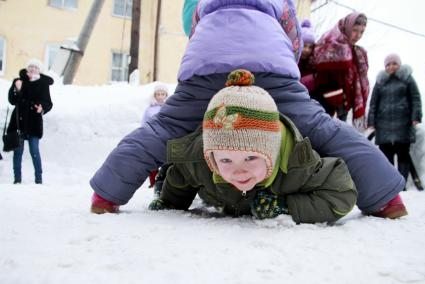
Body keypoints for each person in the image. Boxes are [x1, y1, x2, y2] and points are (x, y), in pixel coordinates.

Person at [90, 0, 406, 219]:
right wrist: (286, 62)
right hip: (270, 68)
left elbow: (195, 30)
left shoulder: (204, 3)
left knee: (166, 127)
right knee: (319, 127)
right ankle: (385, 197)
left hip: (205, 68)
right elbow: (293, 37)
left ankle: (107, 194)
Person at [148, 70, 358, 223]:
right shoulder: (199, 161)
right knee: (175, 165)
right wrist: (170, 202)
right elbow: (181, 175)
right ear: (212, 159)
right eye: (226, 160)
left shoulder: (296, 164)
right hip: (204, 149)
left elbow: (341, 193)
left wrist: (285, 206)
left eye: (251, 158)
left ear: (271, 151)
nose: (239, 170)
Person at [368, 53, 422, 189]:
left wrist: (416, 117)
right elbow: (373, 102)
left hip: (403, 123)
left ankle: (402, 184)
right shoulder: (380, 82)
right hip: (383, 125)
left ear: (399, 65)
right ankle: (390, 184)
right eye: (388, 64)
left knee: (403, 155)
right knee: (386, 157)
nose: (391, 67)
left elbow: (415, 98)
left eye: (394, 64)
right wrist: (371, 120)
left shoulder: (407, 79)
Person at [314, 12, 369, 127]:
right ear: (347, 27)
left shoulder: (356, 52)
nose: (358, 35)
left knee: (334, 141)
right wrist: (335, 98)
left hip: (343, 108)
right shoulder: (330, 42)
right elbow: (321, 74)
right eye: (355, 30)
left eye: (362, 32)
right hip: (323, 103)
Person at [7, 58, 53, 184]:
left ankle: (38, 179)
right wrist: (17, 89)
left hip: (34, 122)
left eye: (35, 67)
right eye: (30, 67)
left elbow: (48, 102)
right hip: (19, 121)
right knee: (18, 152)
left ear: (39, 70)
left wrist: (41, 108)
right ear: (27, 68)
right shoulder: (19, 81)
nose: (32, 69)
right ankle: (17, 179)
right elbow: (12, 100)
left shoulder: (43, 84)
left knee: (34, 151)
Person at [141, 83, 169, 189]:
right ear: (154, 95)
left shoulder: (169, 107)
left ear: (166, 95)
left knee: (166, 161)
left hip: (166, 137)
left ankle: (165, 181)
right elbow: (144, 122)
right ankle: (153, 182)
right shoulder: (149, 109)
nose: (160, 97)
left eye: (163, 94)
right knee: (152, 160)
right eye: (158, 94)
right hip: (153, 137)